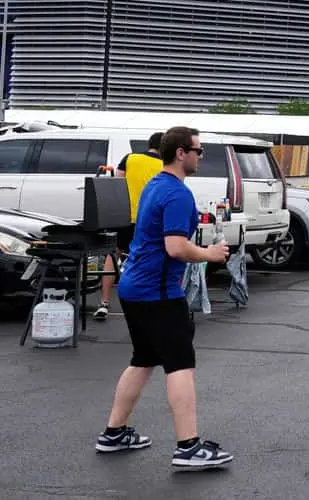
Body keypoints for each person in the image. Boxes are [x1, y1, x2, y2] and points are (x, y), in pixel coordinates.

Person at [95, 126, 234, 469]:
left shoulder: (156, 185)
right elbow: (175, 247)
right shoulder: (176, 193)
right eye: (198, 151)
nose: (201, 156)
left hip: (135, 287)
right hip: (156, 292)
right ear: (181, 153)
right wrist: (210, 254)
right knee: (181, 364)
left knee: (143, 360)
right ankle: (188, 446)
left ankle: (114, 434)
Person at [94, 131, 164, 321]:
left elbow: (117, 184)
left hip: (124, 217)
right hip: (149, 220)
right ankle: (145, 303)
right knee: (146, 258)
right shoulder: (165, 166)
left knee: (113, 255)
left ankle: (104, 302)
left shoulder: (130, 158)